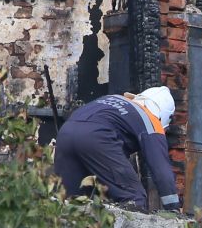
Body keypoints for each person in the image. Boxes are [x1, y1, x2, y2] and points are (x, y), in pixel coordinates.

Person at [53, 86, 181, 213]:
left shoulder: (113, 100)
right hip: (97, 137)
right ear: (162, 117)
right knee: (132, 198)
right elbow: (161, 170)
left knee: (71, 201)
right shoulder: (151, 121)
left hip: (66, 133)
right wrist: (173, 209)